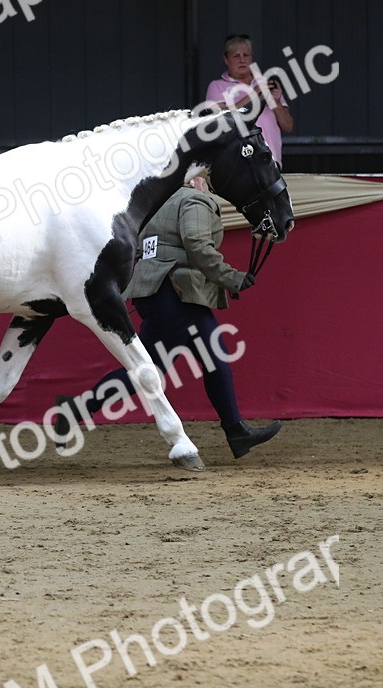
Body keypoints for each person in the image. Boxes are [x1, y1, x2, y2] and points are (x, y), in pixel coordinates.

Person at [54, 176, 282, 459]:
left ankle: (236, 431)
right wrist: (230, 277)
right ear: (196, 178)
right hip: (177, 295)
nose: (208, 183)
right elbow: (197, 244)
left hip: (157, 294)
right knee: (147, 370)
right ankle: (75, 411)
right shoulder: (194, 200)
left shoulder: (154, 204)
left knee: (213, 361)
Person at [205, 34, 294, 166]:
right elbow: (221, 120)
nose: (242, 60)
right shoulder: (216, 86)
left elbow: (288, 126)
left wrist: (275, 102)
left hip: (270, 165)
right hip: (235, 166)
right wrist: (255, 93)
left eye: (246, 55)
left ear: (252, 58)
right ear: (226, 59)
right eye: (236, 56)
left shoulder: (266, 84)